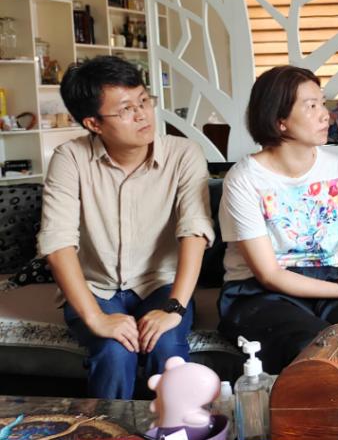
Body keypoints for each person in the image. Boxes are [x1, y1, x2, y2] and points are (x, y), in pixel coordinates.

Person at [38, 56, 213, 399]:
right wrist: (95, 318)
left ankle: (177, 430)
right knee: (114, 352)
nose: (142, 114)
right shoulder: (69, 159)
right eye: (126, 109)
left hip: (161, 284)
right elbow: (57, 244)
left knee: (167, 346)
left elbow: (194, 230)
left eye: (144, 101)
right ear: (93, 123)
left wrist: (174, 308)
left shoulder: (184, 154)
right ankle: (108, 431)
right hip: (97, 287)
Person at [218, 65, 338, 373]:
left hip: (328, 280)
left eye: (323, 104)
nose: (325, 115)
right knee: (312, 343)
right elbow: (269, 275)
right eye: (311, 106)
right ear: (280, 120)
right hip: (260, 293)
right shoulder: (244, 179)